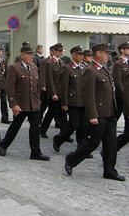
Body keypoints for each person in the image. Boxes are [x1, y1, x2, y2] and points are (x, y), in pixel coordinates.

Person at [65, 43, 125, 182]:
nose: (108, 55)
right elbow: (88, 95)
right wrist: (92, 115)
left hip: (110, 113)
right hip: (98, 114)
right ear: (98, 53)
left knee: (111, 144)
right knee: (93, 143)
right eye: (106, 53)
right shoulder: (90, 70)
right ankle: (71, 159)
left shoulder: (103, 70)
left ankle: (109, 170)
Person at [0, 45, 50, 161]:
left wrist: (38, 101)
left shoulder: (34, 68)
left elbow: (36, 86)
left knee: (35, 129)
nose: (32, 57)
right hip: (21, 105)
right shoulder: (15, 68)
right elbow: (10, 88)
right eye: (29, 54)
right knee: (15, 127)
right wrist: (14, 104)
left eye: (32, 54)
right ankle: (3, 145)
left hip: (34, 104)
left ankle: (35, 152)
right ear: (23, 56)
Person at [53, 46, 89, 154]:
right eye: (79, 54)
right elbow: (63, 87)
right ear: (73, 55)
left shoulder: (83, 68)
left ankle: (81, 148)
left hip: (83, 101)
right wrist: (64, 102)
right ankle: (58, 139)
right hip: (73, 101)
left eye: (82, 54)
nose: (82, 56)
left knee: (83, 126)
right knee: (73, 124)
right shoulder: (67, 68)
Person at [40, 43, 68, 138]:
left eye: (62, 51)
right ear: (54, 51)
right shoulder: (49, 63)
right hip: (54, 93)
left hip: (61, 92)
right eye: (59, 51)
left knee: (62, 113)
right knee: (51, 112)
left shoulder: (62, 63)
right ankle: (42, 130)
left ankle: (64, 134)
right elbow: (50, 79)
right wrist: (52, 93)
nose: (61, 53)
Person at [112, 42, 129, 152]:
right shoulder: (118, 64)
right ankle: (109, 139)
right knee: (115, 118)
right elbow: (118, 82)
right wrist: (125, 95)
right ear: (122, 50)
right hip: (121, 96)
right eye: (127, 48)